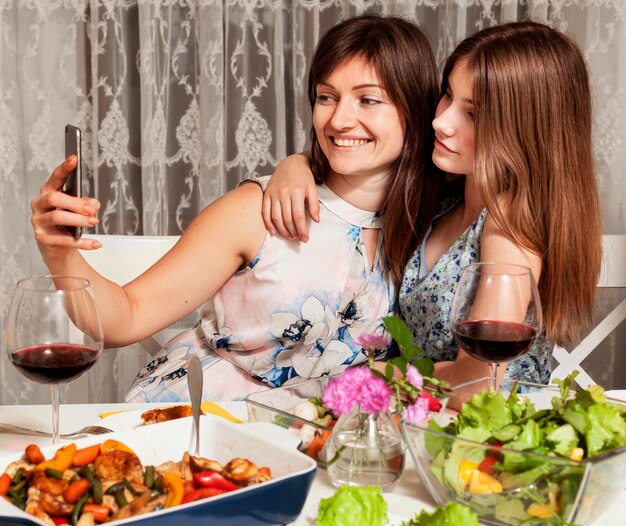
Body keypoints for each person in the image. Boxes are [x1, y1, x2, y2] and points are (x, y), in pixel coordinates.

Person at [30, 15, 441, 402]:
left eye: (368, 100)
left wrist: (294, 162)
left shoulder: (432, 221)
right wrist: (58, 251)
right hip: (195, 420)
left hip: (316, 446)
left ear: (417, 112)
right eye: (326, 97)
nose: (338, 120)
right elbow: (125, 318)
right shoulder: (257, 208)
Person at [260, 20, 603, 389]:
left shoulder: (509, 229)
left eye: (472, 113)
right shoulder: (442, 196)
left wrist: (370, 377)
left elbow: (477, 383)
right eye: (447, 96)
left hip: (486, 433)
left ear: (524, 130)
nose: (441, 121)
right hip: (425, 421)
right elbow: (354, 161)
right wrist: (297, 165)